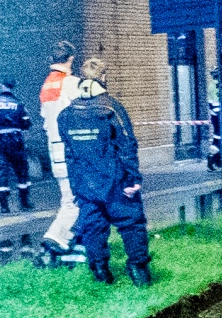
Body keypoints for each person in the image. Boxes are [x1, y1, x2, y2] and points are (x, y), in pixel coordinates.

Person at [55, 56, 153, 285]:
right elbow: (127, 145)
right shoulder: (111, 107)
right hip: (115, 180)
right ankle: (139, 273)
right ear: (103, 77)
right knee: (131, 224)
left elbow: (70, 155)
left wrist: (76, 186)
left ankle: (101, 273)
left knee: (93, 228)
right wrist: (133, 179)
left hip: (85, 184)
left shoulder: (66, 115)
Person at [37, 46, 83, 256]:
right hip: (72, 148)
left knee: (71, 196)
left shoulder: (47, 84)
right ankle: (56, 237)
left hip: (54, 147)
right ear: (71, 58)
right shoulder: (71, 83)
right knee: (75, 199)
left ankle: (72, 238)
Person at [0, 76, 34, 213]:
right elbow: (26, 123)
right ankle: (24, 202)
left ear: (1, 85)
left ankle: (4, 205)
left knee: (1, 171)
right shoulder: (18, 103)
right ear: (13, 86)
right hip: (15, 140)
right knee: (21, 170)